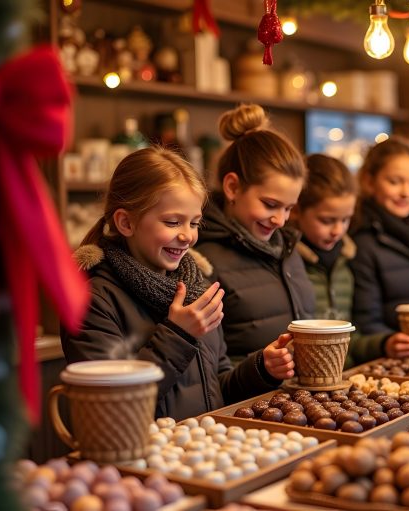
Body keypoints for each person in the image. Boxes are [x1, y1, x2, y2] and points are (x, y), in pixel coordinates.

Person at [62, 147, 295, 420]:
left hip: (201, 451)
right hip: (141, 457)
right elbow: (112, 407)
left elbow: (215, 390)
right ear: (126, 222)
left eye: (194, 223)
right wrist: (178, 336)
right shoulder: (93, 299)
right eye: (173, 222)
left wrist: (260, 369)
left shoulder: (196, 285)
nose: (187, 236)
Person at [195, 104, 315, 360]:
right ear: (232, 187)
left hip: (294, 397)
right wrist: (262, 370)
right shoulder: (202, 260)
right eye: (270, 205)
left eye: (289, 208)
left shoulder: (288, 249)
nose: (280, 220)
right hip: (248, 399)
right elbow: (211, 370)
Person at [291, 154, 409, 366]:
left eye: (345, 219)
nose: (338, 230)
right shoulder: (290, 264)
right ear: (296, 209)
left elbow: (349, 340)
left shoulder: (345, 262)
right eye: (327, 220)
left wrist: (383, 344)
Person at [349, 136, 409, 347]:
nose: (406, 192)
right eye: (395, 182)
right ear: (369, 181)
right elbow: (365, 321)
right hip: (388, 359)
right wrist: (387, 341)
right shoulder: (363, 242)